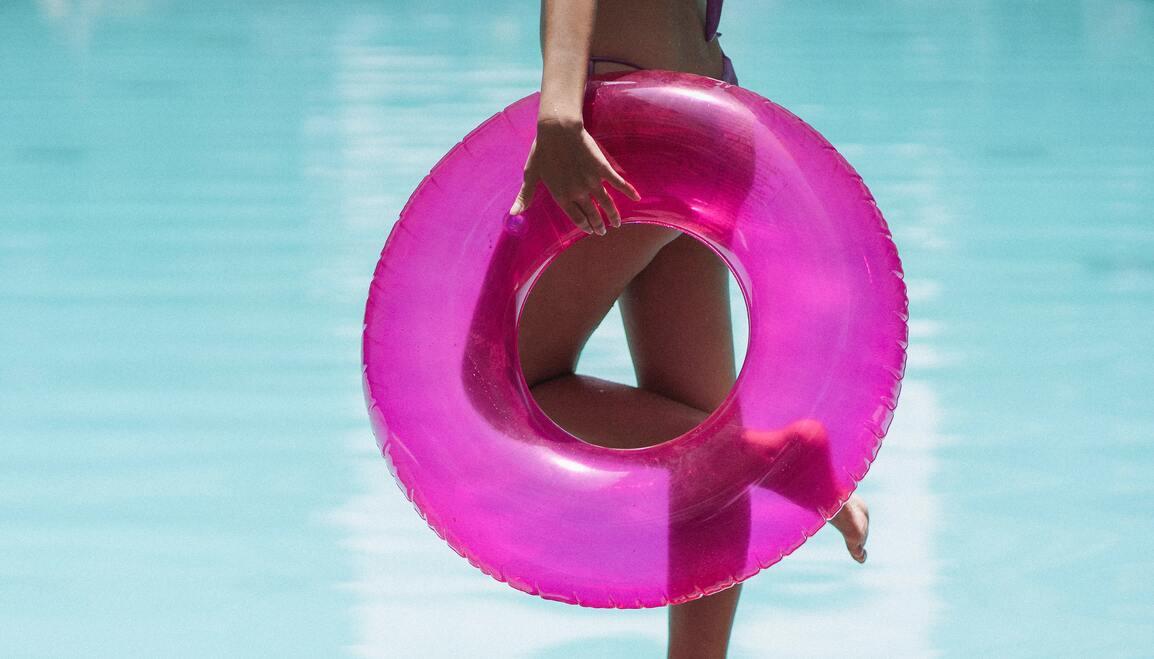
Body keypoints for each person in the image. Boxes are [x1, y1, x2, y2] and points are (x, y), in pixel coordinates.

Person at [508, 2, 870, 657]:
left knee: (510, 388)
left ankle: (770, 457)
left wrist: (560, 109)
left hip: (628, 121)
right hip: (707, 113)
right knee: (699, 454)